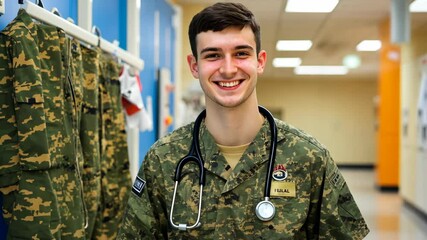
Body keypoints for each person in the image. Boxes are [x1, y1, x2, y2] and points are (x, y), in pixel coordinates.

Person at [117, 2, 370, 239]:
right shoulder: (163, 161)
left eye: (240, 53)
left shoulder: (309, 158)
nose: (228, 69)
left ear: (259, 62)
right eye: (213, 55)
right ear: (194, 66)